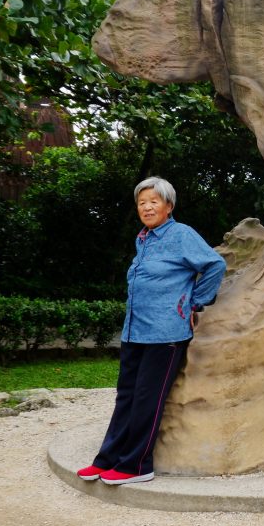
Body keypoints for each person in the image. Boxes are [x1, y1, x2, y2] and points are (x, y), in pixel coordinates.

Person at [77, 177, 226, 485]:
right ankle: (107, 459)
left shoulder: (181, 234)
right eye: (142, 202)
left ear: (168, 206)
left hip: (166, 334)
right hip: (135, 332)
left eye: (153, 202)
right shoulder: (144, 238)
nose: (146, 207)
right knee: (126, 397)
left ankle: (137, 464)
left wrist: (194, 303)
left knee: (147, 398)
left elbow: (214, 265)